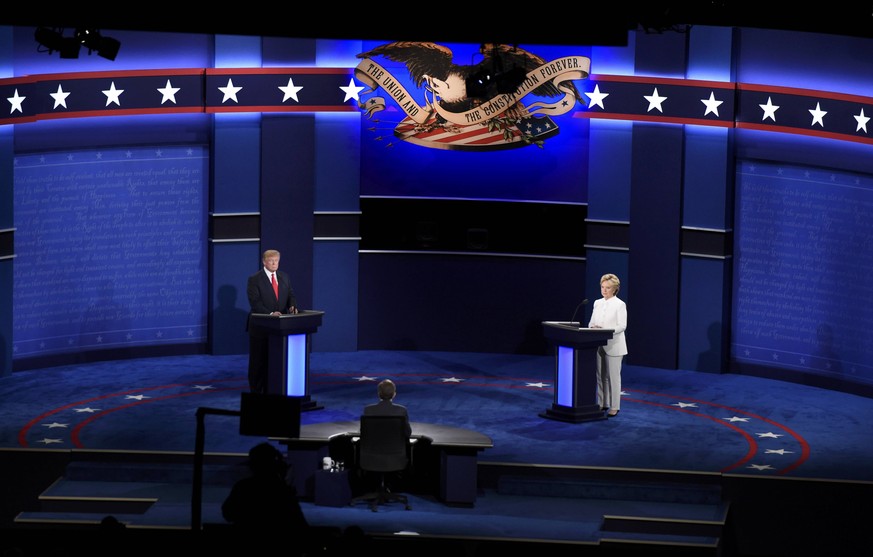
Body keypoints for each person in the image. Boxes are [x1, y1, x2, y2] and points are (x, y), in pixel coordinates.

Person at [221, 442, 310, 542]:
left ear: (253, 465)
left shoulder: (243, 487)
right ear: (275, 465)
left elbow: (228, 514)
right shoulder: (282, 491)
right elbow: (299, 524)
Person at [246, 249, 298, 394]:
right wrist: (270, 314)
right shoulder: (254, 279)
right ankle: (256, 392)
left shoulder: (284, 277)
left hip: (280, 328)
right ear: (264, 262)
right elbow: (255, 302)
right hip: (260, 328)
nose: (275, 263)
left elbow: (290, 295)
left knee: (275, 362)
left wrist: (292, 306)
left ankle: (272, 390)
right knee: (258, 362)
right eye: (271, 260)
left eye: (276, 260)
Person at [588, 273, 628, 418]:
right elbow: (591, 322)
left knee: (613, 377)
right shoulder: (597, 302)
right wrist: (593, 328)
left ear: (615, 289)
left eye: (608, 288)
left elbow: (622, 325)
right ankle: (602, 403)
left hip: (614, 345)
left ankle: (615, 406)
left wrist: (605, 332)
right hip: (598, 343)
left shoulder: (620, 304)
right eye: (602, 287)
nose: (604, 290)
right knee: (600, 376)